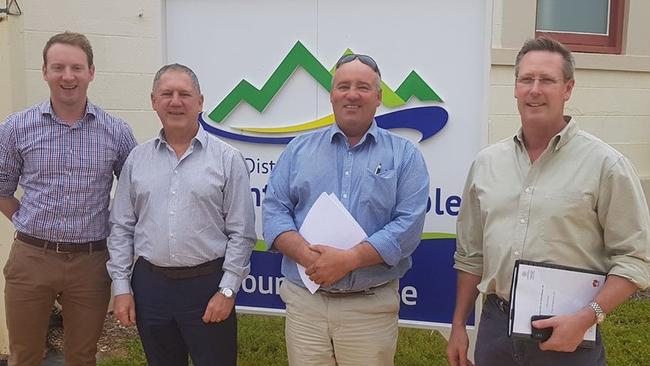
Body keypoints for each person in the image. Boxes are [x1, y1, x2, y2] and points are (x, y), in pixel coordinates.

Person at [447, 37, 650, 366]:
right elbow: (471, 256)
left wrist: (587, 318)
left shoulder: (606, 165)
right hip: (495, 330)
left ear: (568, 89)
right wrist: (459, 326)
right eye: (526, 79)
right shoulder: (486, 163)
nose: (535, 90)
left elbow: (634, 260)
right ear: (514, 87)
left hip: (568, 333)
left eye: (547, 80)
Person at [262, 54, 430, 366]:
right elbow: (274, 210)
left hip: (369, 308)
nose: (352, 94)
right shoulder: (298, 149)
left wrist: (348, 260)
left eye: (363, 87)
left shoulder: (405, 155)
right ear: (332, 95)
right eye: (344, 86)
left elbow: (408, 226)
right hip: (306, 305)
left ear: (378, 97)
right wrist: (305, 255)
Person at [0, 31, 137, 366]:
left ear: (91, 72)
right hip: (32, 257)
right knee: (25, 356)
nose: (68, 76)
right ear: (44, 72)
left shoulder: (116, 132)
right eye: (58, 67)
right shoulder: (16, 128)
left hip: (91, 262)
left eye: (77, 67)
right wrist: (26, 221)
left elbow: (135, 193)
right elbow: (2, 189)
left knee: (82, 356)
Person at [107, 63, 256, 366]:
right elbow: (121, 227)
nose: (176, 101)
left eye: (185, 94)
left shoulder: (227, 159)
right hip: (151, 286)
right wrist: (121, 287)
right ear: (153, 101)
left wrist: (227, 290)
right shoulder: (138, 159)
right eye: (167, 94)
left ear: (200, 101)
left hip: (207, 285)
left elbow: (241, 233)